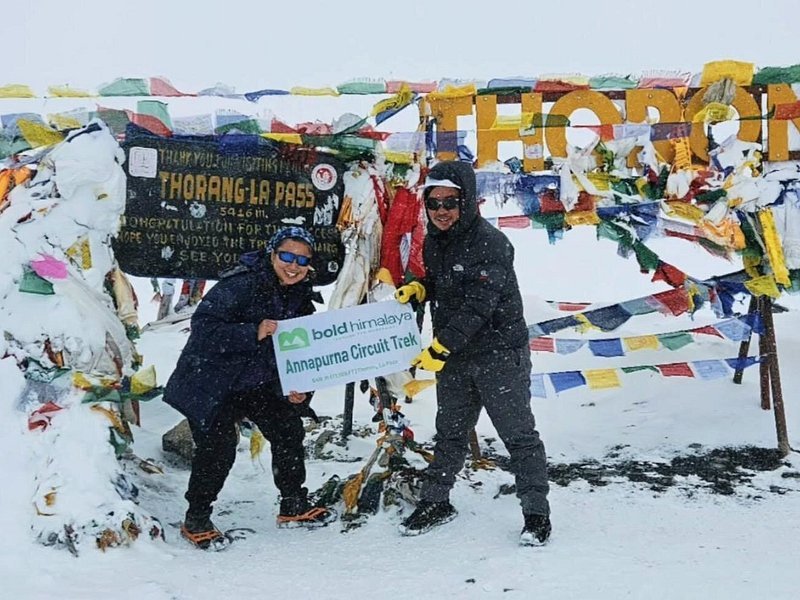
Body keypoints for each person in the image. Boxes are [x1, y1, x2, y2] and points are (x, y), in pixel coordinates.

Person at [394, 160, 551, 546]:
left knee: (518, 436)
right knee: (449, 433)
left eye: (450, 202)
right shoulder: (434, 241)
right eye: (434, 203)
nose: (442, 211)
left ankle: (536, 514)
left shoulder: (492, 243)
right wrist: (420, 288)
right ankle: (436, 502)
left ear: (467, 202)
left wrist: (442, 345)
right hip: (456, 357)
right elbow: (445, 282)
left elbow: (479, 303)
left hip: (499, 355)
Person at [163, 226, 336, 550]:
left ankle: (293, 503)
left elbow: (303, 354)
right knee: (218, 447)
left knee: (287, 428)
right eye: (286, 256)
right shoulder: (241, 284)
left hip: (257, 383)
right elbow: (203, 328)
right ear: (271, 254)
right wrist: (252, 331)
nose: (293, 265)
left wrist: (300, 391)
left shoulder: (303, 299)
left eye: (302, 259)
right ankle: (197, 516)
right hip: (211, 381)